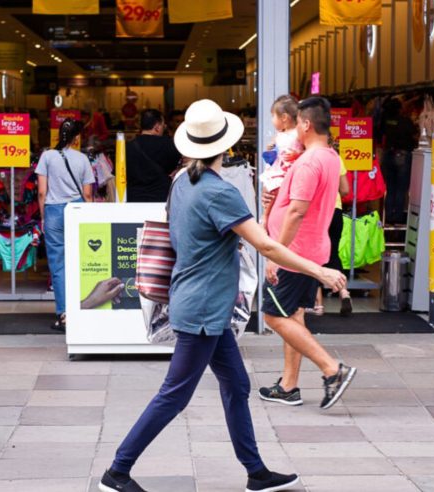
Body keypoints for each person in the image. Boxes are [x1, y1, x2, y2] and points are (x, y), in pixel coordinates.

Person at [98, 99, 347, 492]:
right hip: (203, 308)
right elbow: (265, 246)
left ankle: (255, 472)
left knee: (237, 385)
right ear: (226, 147)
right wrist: (319, 270)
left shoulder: (182, 180)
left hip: (201, 303)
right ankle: (117, 471)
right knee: (174, 395)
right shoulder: (219, 192)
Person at [259, 96, 357, 410]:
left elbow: (297, 212)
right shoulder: (329, 156)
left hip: (295, 252)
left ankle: (332, 370)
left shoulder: (310, 162)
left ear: (306, 124)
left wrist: (275, 254)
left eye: (299, 123)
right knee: (293, 315)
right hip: (311, 248)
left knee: (273, 316)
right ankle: (289, 386)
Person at [37, 119, 95, 332]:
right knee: (80, 260)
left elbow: (42, 192)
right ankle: (83, 307)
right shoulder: (82, 159)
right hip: (77, 211)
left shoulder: (47, 156)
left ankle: (64, 314)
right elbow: (88, 194)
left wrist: (44, 217)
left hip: (53, 211)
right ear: (77, 137)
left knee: (58, 264)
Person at [313, 155, 352, 316]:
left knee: (313, 257)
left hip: (316, 211)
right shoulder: (337, 159)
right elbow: (345, 190)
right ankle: (344, 292)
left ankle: (318, 305)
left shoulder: (309, 157)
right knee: (333, 252)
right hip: (335, 210)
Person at [259, 95, 304, 229]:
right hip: (278, 169)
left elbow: (307, 152)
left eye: (273, 116)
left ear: (284, 117)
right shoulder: (280, 135)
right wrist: (271, 148)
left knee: (273, 190)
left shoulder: (298, 134)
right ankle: (266, 216)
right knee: (269, 189)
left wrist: (298, 154)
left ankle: (265, 218)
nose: (272, 120)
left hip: (287, 172)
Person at [125, 109, 183, 202]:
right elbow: (177, 168)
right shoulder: (169, 145)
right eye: (163, 124)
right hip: (161, 199)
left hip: (133, 200)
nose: (164, 127)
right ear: (157, 127)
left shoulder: (127, 147)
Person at [380, 97, 418, 225]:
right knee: (401, 188)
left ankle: (389, 216)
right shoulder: (405, 121)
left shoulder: (385, 121)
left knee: (390, 188)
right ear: (399, 109)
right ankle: (398, 217)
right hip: (402, 155)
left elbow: (381, 137)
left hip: (388, 155)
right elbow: (414, 135)